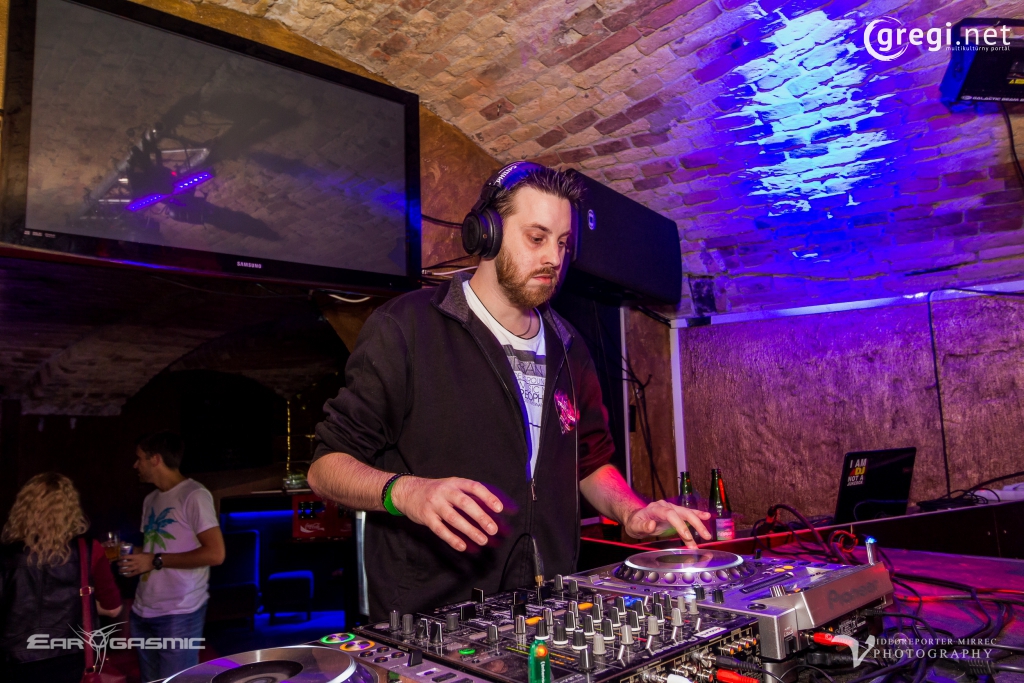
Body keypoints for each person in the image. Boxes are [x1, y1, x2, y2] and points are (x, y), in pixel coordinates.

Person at [309, 162, 712, 620]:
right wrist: (405, 492)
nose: (554, 258)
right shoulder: (407, 328)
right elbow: (326, 468)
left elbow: (590, 462)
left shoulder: (569, 345)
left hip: (547, 610)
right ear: (487, 235)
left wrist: (631, 511)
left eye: (562, 243)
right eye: (537, 238)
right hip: (431, 619)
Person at [120, 431, 225, 682]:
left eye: (139, 458)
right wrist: (127, 551)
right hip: (144, 609)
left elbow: (215, 554)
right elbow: (158, 548)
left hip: (180, 612)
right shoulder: (151, 499)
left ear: (155, 459)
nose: (135, 465)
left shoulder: (194, 494)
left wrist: (155, 561)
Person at [0, 472, 122, 683]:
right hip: (69, 658)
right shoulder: (89, 550)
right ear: (71, 510)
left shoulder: (5, 555)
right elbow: (113, 608)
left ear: (22, 508)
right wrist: (80, 601)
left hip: (15, 660)